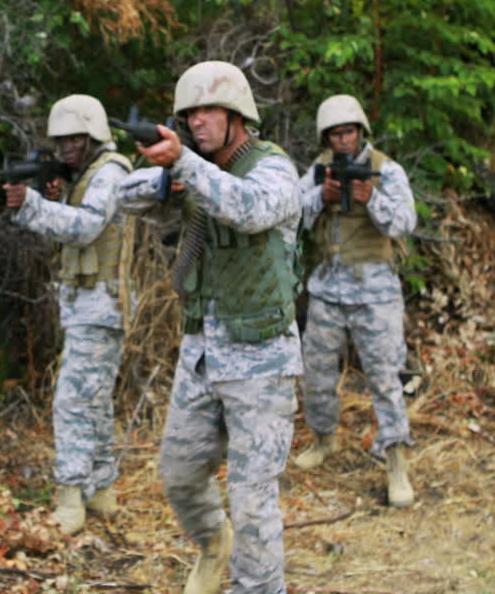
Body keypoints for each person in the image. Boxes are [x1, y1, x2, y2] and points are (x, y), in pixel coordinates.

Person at [117, 61, 301, 594]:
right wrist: (167, 174)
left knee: (252, 502)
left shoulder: (273, 169)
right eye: (189, 113)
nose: (197, 121)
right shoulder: (192, 169)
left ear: (237, 115)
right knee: (177, 473)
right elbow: (122, 198)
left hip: (262, 362)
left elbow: (249, 208)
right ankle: (212, 544)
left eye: (208, 110)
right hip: (202, 356)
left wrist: (186, 167)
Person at [4, 94, 134, 535]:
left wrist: (32, 205)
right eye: (61, 141)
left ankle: (71, 495)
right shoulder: (86, 175)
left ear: (95, 134)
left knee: (74, 402)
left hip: (100, 303)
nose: (67, 148)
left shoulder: (111, 172)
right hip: (88, 301)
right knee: (94, 400)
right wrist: (53, 196)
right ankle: (101, 490)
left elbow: (85, 228)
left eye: (76, 139)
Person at [292, 94, 417, 508]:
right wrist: (320, 197)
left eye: (348, 132)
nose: (342, 140)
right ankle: (324, 438)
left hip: (375, 291)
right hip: (327, 287)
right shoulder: (317, 170)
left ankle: (395, 459)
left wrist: (370, 198)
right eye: (334, 134)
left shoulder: (386, 170)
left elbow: (404, 223)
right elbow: (289, 215)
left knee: (384, 377)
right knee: (317, 372)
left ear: (360, 131)